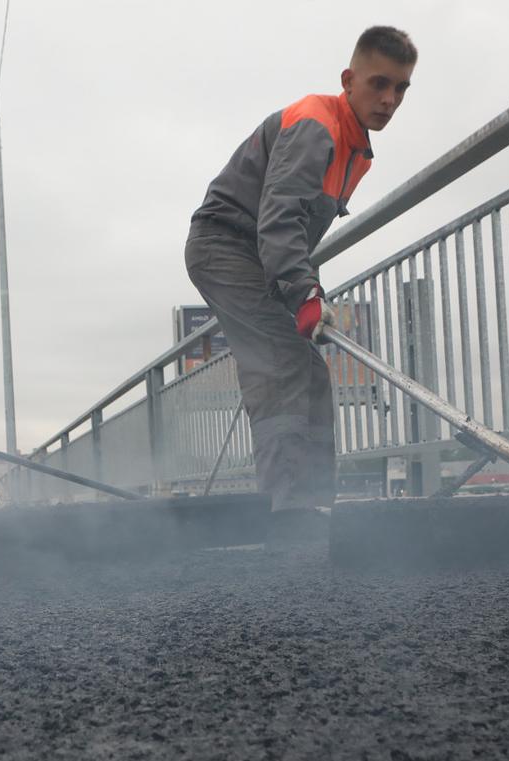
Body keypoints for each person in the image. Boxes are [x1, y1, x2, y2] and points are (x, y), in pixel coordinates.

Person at [185, 26, 416, 540]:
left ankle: (310, 510)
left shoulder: (355, 146)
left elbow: (289, 228)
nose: (389, 99)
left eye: (401, 89)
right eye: (379, 83)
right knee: (283, 366)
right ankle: (285, 520)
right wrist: (303, 291)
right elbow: (281, 218)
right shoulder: (319, 125)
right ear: (348, 79)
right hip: (226, 247)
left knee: (310, 371)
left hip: (253, 254)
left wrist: (303, 290)